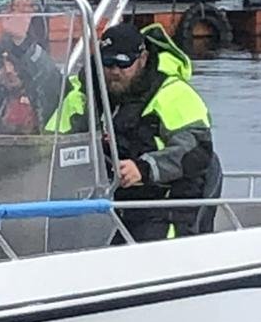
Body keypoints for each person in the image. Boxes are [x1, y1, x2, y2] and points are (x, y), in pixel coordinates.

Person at [50, 21, 216, 241]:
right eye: (107, 63)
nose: (114, 72)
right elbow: (49, 141)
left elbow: (197, 149)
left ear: (143, 59)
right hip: (106, 207)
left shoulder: (173, 94)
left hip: (165, 209)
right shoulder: (85, 94)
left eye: (123, 63)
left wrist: (144, 168)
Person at [0, 13, 64, 134]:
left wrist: (22, 42)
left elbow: (48, 75)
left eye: (13, 62)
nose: (8, 70)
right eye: (1, 65)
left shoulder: (47, 96)